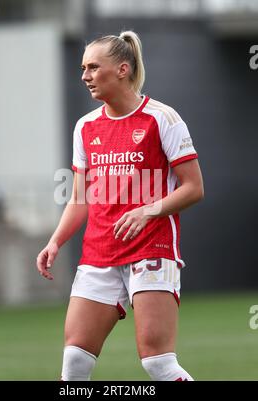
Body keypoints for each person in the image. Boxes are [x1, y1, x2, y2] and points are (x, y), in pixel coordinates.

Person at [36, 31, 204, 381]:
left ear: (123, 69)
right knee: (74, 364)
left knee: (157, 363)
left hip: (152, 250)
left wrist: (148, 210)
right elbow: (81, 198)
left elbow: (193, 188)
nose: (85, 76)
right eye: (83, 68)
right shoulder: (85, 127)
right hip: (98, 254)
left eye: (94, 67)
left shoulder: (162, 118)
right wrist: (55, 241)